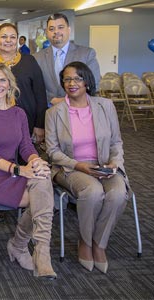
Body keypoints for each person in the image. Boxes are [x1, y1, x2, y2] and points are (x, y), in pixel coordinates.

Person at [0, 63, 57, 280]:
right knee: (42, 196)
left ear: (10, 83)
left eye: (2, 80)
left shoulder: (19, 112)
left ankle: (40, 250)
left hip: (12, 171)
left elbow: (26, 146)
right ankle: (21, 246)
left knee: (42, 177)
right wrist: (19, 169)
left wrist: (35, 161)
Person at [45, 61, 128, 274]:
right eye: (67, 79)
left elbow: (116, 142)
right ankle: (85, 241)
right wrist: (79, 165)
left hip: (103, 165)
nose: (72, 83)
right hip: (70, 168)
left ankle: (99, 243)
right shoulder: (54, 112)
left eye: (77, 78)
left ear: (87, 82)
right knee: (92, 192)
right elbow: (53, 152)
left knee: (118, 194)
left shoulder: (105, 106)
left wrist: (114, 164)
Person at [0, 23, 47, 222]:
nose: (8, 40)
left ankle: (28, 241)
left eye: (12, 37)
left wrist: (34, 157)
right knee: (42, 198)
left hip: (24, 119)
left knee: (37, 175)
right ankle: (15, 227)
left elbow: (40, 92)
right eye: (3, 37)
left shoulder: (29, 61)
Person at [33, 13, 100, 106]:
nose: (56, 31)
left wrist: (71, 100)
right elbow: (35, 86)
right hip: (49, 110)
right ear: (47, 32)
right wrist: (52, 99)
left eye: (60, 27)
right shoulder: (37, 58)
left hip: (80, 109)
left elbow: (94, 84)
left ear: (69, 30)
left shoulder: (87, 54)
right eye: (51, 29)